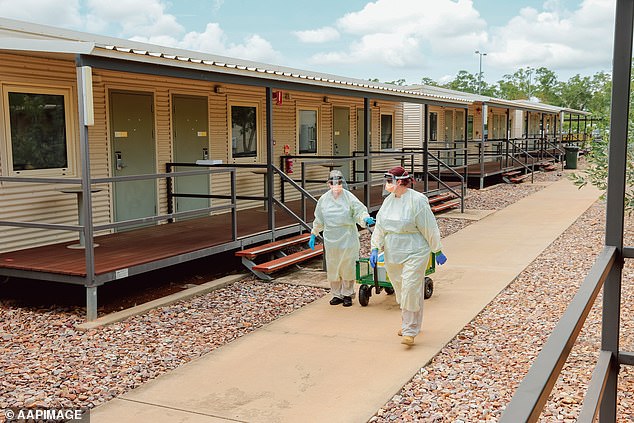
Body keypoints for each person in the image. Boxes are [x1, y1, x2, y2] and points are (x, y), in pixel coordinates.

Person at [369, 166, 447, 346]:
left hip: (415, 250)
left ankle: (410, 331)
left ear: (401, 181)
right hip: (393, 251)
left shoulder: (417, 201)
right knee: (401, 287)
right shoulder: (388, 201)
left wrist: (437, 249)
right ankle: (408, 323)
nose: (387, 185)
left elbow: (429, 227)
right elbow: (380, 226)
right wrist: (375, 248)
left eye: (390, 181)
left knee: (411, 287)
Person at [309, 170, 375, 307]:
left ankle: (347, 294)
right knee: (333, 267)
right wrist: (314, 233)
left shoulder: (349, 197)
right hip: (331, 238)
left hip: (347, 236)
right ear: (328, 184)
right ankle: (336, 295)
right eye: (333, 183)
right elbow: (319, 218)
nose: (336, 186)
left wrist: (365, 218)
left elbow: (359, 211)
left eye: (338, 183)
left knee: (348, 266)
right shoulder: (323, 200)